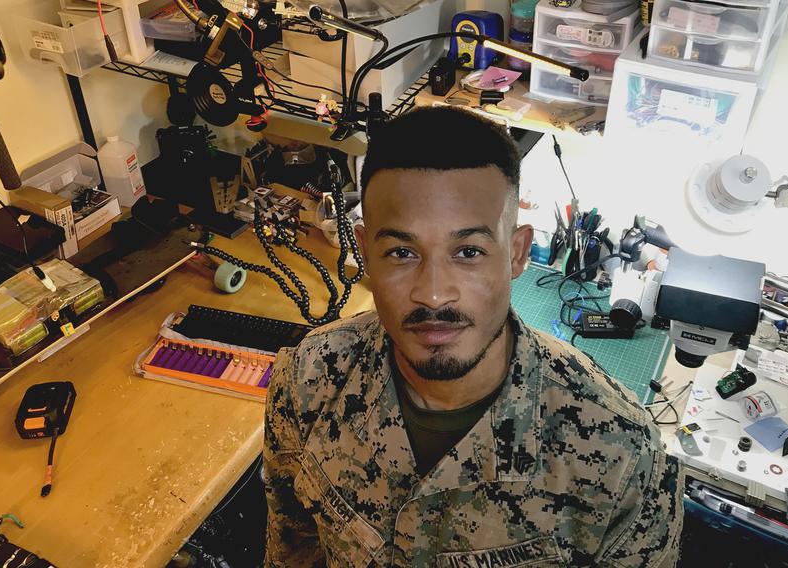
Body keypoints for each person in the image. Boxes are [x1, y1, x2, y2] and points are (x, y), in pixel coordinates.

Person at [263, 106, 683, 567]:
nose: (434, 294)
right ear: (365, 254)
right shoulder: (306, 382)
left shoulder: (623, 455)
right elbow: (292, 550)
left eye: (468, 251)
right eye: (401, 252)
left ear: (517, 254)